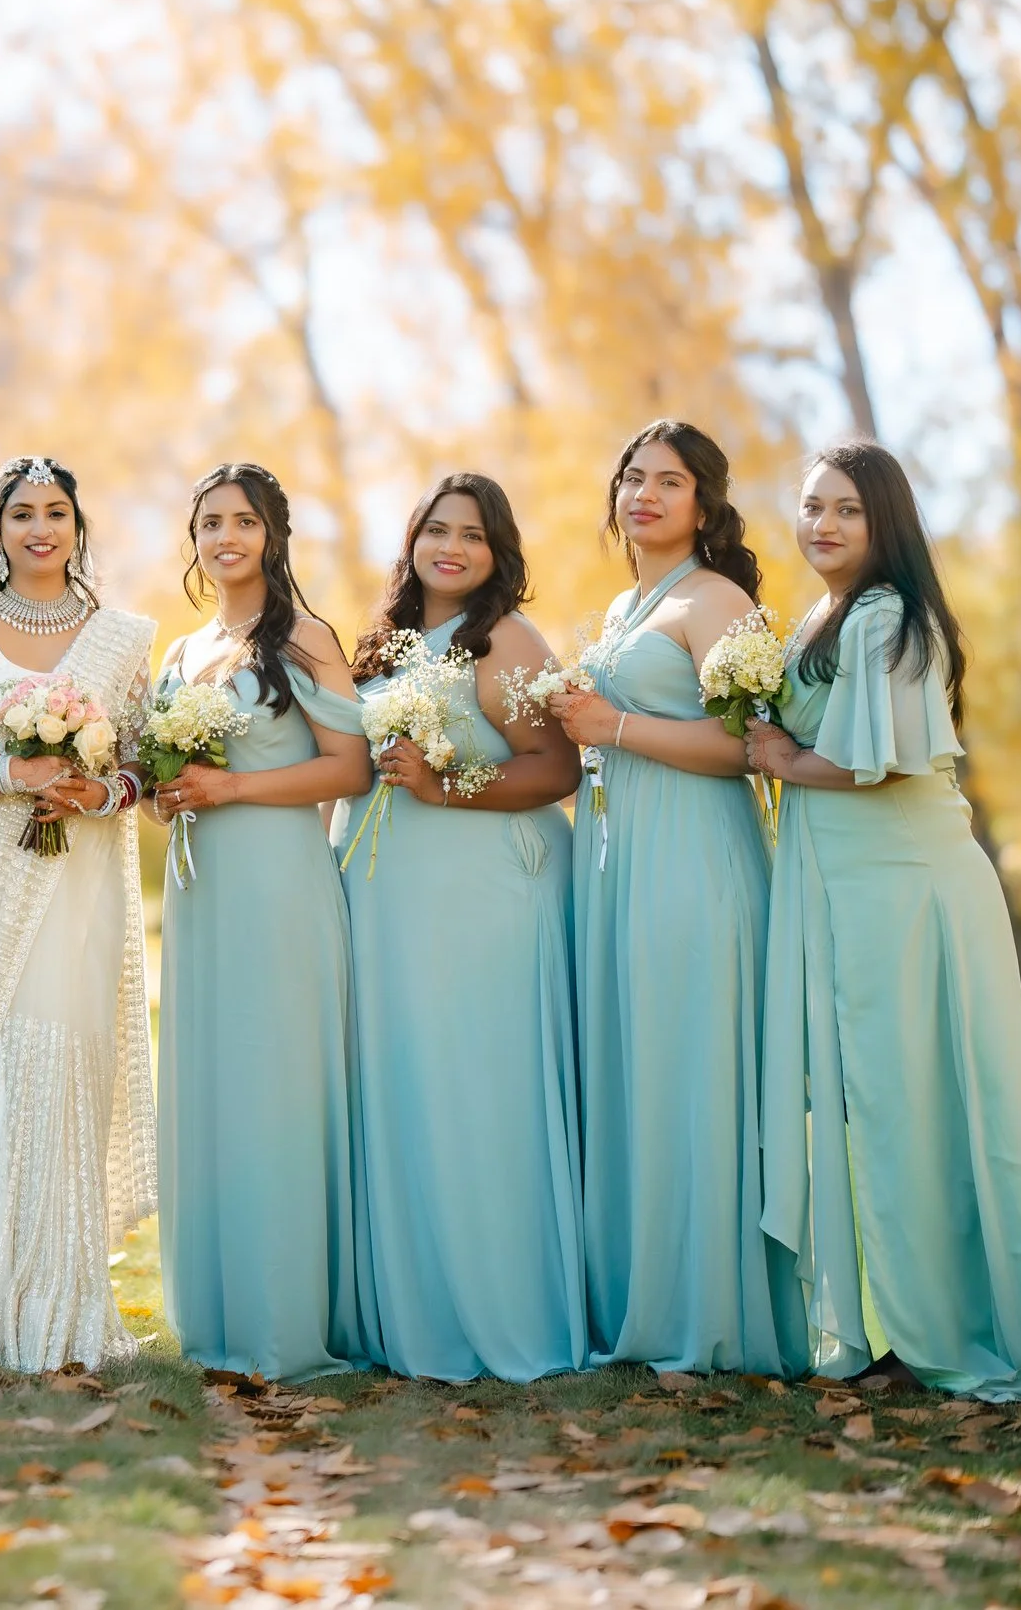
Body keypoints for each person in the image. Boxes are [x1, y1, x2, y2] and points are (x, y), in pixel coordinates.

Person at [749, 442, 1021, 1401]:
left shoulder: (893, 617)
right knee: (879, 1105)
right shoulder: (827, 615)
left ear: (886, 522)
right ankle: (901, 1314)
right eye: (812, 506)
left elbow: (880, 760)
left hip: (904, 890)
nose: (823, 524)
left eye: (848, 509)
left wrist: (776, 755)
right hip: (850, 886)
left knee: (917, 1106)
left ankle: (937, 1328)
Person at [548, 420, 805, 1375]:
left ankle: (708, 1312)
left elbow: (750, 745)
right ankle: (634, 1302)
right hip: (615, 864)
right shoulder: (624, 604)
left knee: (691, 1069)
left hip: (693, 859)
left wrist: (611, 722)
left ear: (705, 502)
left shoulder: (716, 598)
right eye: (632, 479)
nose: (645, 495)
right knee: (635, 1068)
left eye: (669, 481)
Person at [332, 472, 588, 1381]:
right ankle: (410, 1307)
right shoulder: (381, 644)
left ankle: (500, 1302)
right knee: (403, 1083)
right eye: (436, 529)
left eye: (472, 535)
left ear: (497, 552)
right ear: (410, 541)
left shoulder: (506, 638)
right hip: (391, 891)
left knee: (478, 1087)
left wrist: (444, 786)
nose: (451, 548)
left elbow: (555, 767)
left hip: (482, 894)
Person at [0, 455, 157, 1371]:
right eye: (22, 514)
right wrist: (11, 772)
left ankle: (69, 1315)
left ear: (76, 526)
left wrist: (93, 791)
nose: (40, 528)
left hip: (78, 885)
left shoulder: (123, 639)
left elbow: (140, 770)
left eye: (56, 512)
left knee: (66, 1069)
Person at [148, 462, 372, 1380]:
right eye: (210, 523)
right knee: (214, 1088)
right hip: (200, 890)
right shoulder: (181, 650)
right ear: (193, 539)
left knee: (275, 1086)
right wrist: (169, 792)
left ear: (273, 533)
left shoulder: (307, 636)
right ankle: (219, 1319)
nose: (225, 537)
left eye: (243, 521)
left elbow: (350, 769)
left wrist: (234, 784)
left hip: (279, 881)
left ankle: (283, 1323)